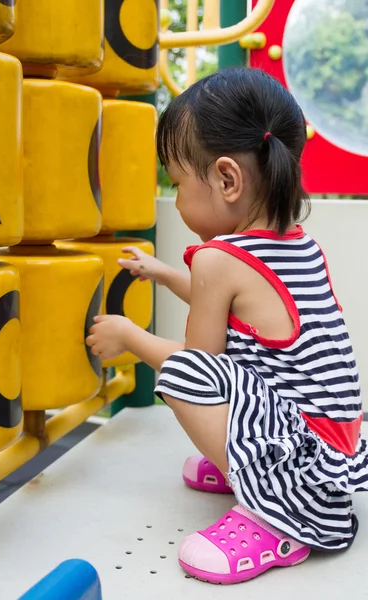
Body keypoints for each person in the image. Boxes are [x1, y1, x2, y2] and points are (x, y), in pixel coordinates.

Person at [86, 67, 368, 584]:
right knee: (223, 370)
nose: (175, 192)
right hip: (332, 446)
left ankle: (277, 518)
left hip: (304, 476)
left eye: (176, 180)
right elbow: (247, 312)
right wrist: (167, 274)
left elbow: (200, 366)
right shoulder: (297, 244)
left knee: (186, 377)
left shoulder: (220, 260)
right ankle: (256, 466)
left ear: (226, 178)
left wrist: (129, 337)